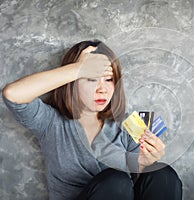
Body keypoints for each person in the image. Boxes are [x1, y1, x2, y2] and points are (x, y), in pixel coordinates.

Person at [2, 40, 182, 200]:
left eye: (109, 79)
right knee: (115, 181)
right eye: (91, 79)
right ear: (72, 82)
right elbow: (12, 94)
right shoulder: (51, 122)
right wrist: (77, 69)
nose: (102, 89)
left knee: (161, 173)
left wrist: (145, 162)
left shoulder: (129, 124)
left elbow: (142, 183)